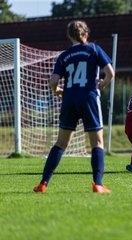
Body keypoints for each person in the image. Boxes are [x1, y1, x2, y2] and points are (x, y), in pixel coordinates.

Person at [33, 20, 115, 193]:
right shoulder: (94, 49)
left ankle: (43, 183)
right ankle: (98, 185)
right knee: (97, 143)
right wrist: (103, 83)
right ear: (86, 34)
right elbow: (110, 73)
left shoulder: (64, 55)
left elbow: (53, 81)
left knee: (61, 143)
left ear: (70, 36)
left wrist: (58, 90)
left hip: (69, 99)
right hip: (88, 97)